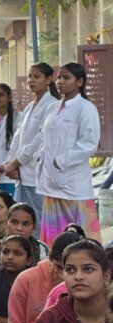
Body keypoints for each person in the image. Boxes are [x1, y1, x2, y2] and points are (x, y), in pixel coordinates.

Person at [36, 62, 102, 247]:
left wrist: (61, 161)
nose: (60, 81)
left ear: (79, 82)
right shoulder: (52, 108)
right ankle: (55, 263)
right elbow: (44, 138)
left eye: (66, 78)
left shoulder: (86, 108)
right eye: (59, 77)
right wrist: (41, 160)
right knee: (54, 238)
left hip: (73, 184)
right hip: (50, 181)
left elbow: (89, 143)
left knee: (80, 237)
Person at [1, 62, 59, 233]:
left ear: (48, 79)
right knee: (20, 222)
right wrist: (9, 163)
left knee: (38, 223)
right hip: (21, 175)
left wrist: (16, 162)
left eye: (36, 77)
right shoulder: (29, 107)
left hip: (36, 174)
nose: (31, 80)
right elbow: (18, 138)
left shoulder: (53, 104)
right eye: (29, 76)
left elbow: (40, 139)